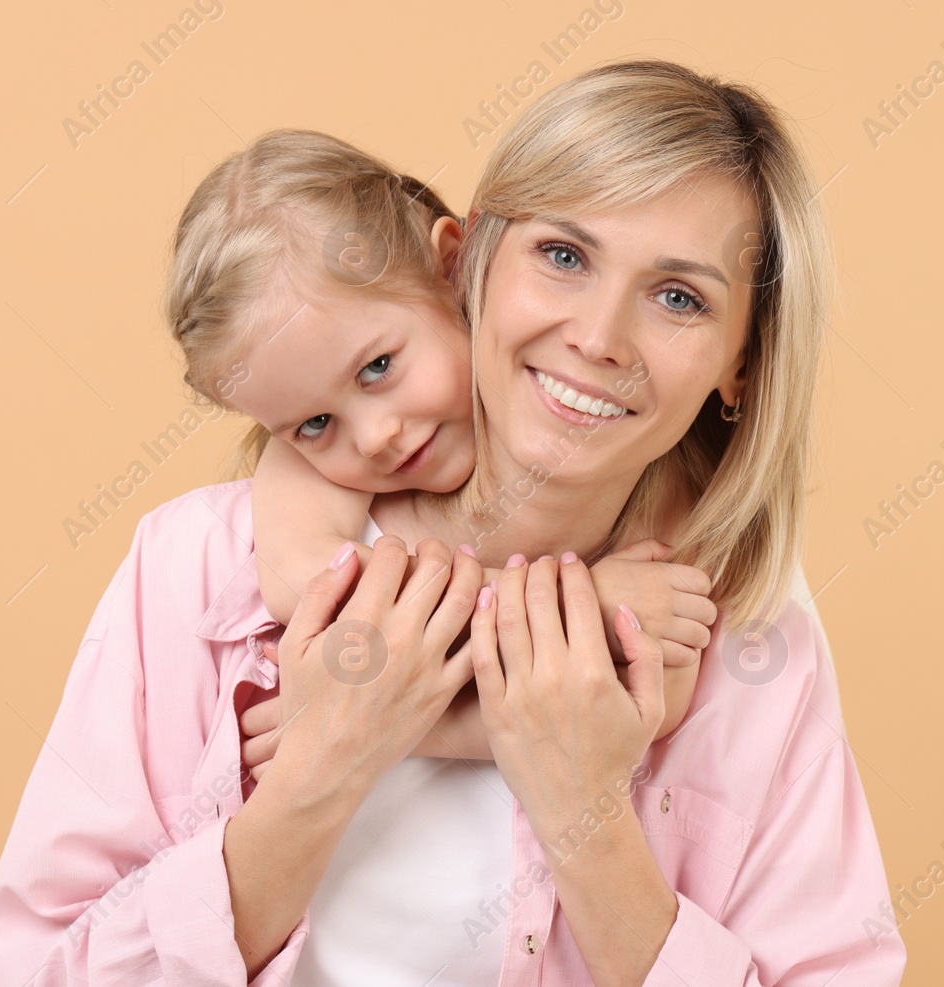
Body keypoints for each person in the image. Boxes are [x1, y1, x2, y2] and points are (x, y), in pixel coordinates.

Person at [0, 60, 906, 986]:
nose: (598, 338)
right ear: (472, 262)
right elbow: (48, 971)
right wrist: (327, 764)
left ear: (740, 366)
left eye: (679, 297)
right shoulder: (197, 568)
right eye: (564, 255)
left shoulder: (745, 626)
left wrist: (581, 805)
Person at [166, 127, 717, 761]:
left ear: (454, 268)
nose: (374, 438)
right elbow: (305, 581)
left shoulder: (619, 444)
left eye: (377, 368)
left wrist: (388, 730)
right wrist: (582, 604)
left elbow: (649, 707)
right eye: (313, 425)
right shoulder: (305, 475)